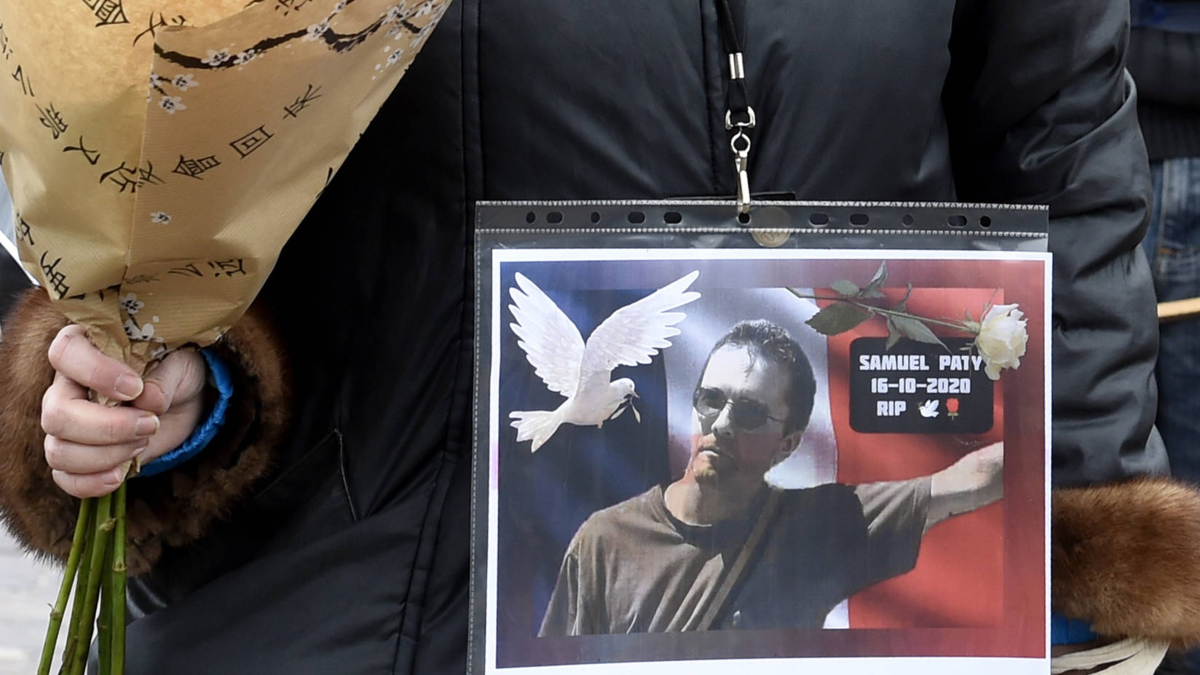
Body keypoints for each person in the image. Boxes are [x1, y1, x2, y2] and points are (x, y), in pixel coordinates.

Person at [1, 1, 1199, 672]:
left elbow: (1057, 136)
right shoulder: (609, 539)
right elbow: (157, 128)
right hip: (358, 593)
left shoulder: (828, 523)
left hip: (853, 641)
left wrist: (1073, 546)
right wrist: (173, 377)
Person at [540, 320, 1002, 635]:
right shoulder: (604, 541)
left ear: (788, 444)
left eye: (749, 412)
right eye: (711, 399)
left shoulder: (817, 527)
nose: (722, 423)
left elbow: (973, 479)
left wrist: (1031, 405)